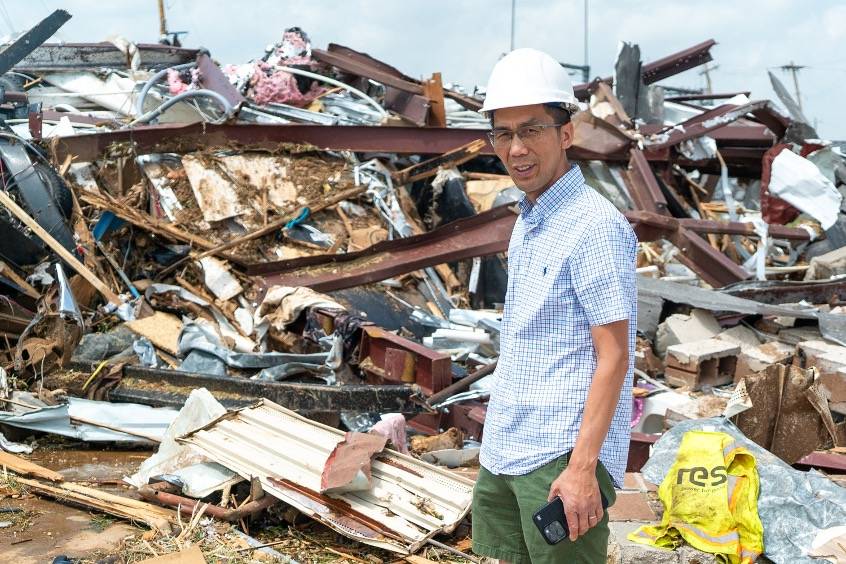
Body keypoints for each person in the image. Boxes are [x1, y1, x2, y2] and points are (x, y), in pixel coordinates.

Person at [471, 48, 638, 564]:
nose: (516, 148)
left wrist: (583, 468)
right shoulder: (529, 218)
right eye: (503, 133)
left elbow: (614, 355)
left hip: (561, 459)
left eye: (532, 130)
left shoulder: (594, 226)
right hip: (507, 446)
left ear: (566, 134)